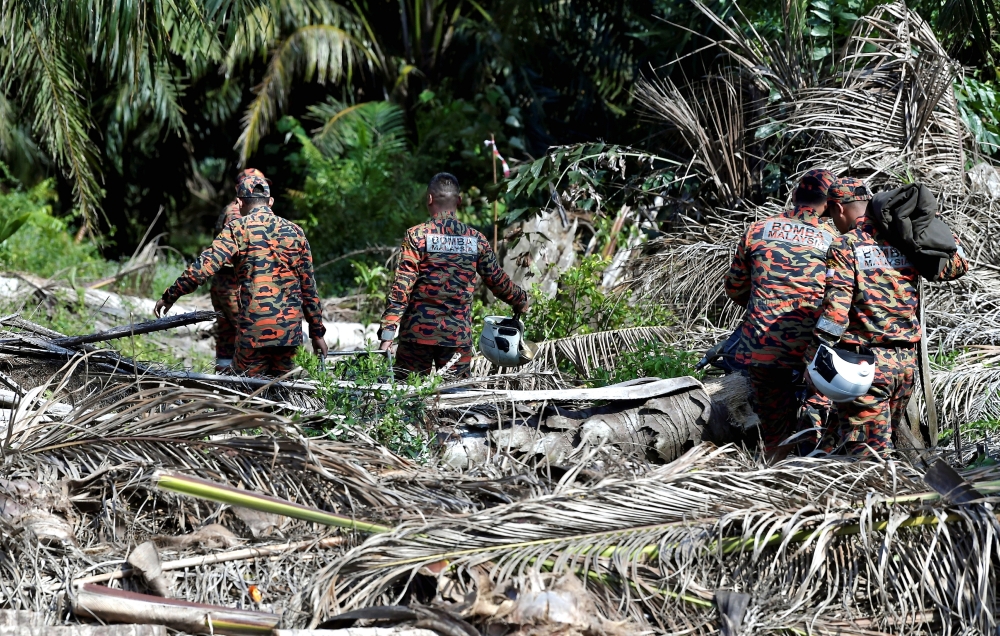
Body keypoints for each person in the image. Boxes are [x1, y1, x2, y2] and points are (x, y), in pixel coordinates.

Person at [807, 178, 968, 456]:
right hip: (905, 366)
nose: (833, 222)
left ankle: (878, 497)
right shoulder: (906, 240)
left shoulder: (846, 246)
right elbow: (956, 265)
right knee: (862, 442)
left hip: (865, 366)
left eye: (831, 215)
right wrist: (934, 225)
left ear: (838, 209)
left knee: (868, 456)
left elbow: (835, 313)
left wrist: (814, 355)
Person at [154, 175, 328, 377]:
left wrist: (170, 295)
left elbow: (203, 267)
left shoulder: (237, 230)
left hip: (253, 333)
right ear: (270, 202)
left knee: (249, 395)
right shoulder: (296, 232)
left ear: (239, 202)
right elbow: (309, 289)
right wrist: (317, 334)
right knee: (285, 393)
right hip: (288, 335)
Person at [724, 169, 837, 457]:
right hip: (814, 348)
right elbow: (841, 298)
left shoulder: (757, 230)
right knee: (817, 422)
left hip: (763, 346)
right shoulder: (834, 240)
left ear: (796, 196)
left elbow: (736, 289)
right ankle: (816, 470)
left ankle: (777, 474)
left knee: (774, 432)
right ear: (828, 204)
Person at [378, 173, 529, 379]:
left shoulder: (417, 236)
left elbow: (401, 289)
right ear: (458, 201)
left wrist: (388, 332)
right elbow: (496, 281)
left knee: (409, 399)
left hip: (416, 337)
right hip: (456, 339)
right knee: (455, 399)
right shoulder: (476, 240)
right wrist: (520, 300)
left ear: (429, 199)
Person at [211, 168, 267, 370]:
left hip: (225, 285)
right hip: (233, 285)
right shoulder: (238, 212)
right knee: (249, 335)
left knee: (227, 335)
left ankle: (224, 383)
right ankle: (251, 388)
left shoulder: (233, 209)